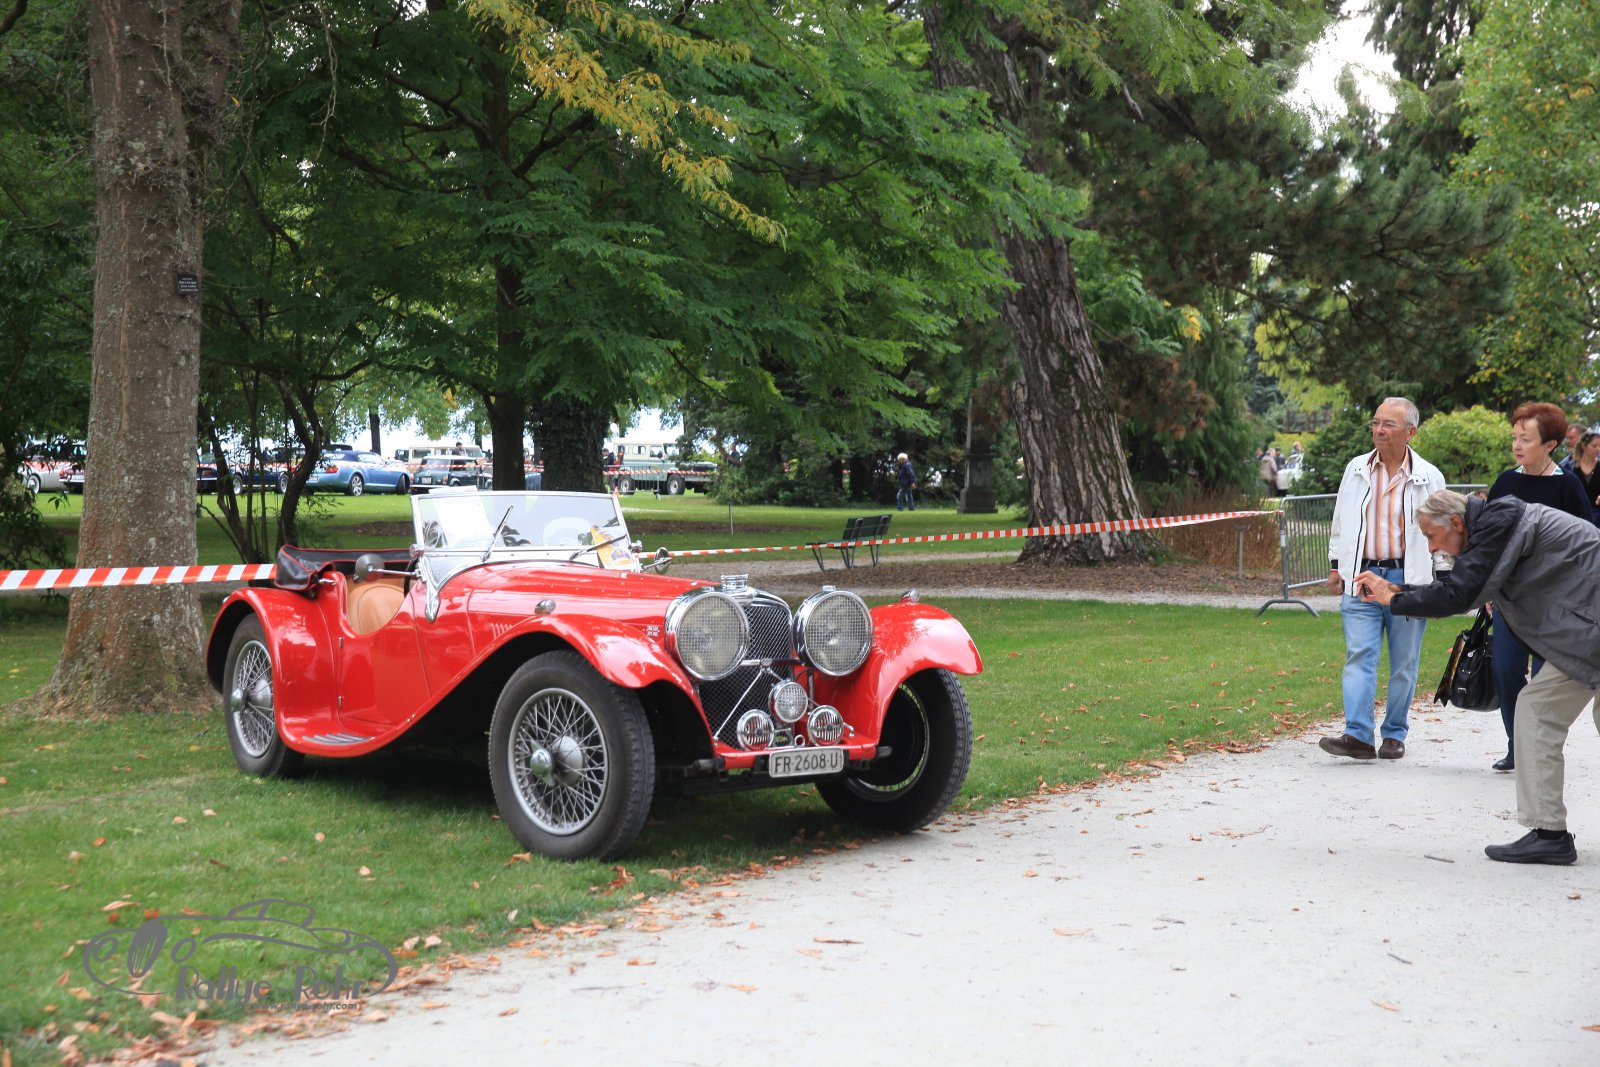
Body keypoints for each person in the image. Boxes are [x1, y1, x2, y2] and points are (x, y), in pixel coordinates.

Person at [1355, 489, 1600, 865]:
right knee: (1536, 712)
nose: (1432, 547)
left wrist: (1394, 600)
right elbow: (1462, 587)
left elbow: (1459, 594)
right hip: (1585, 634)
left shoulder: (1501, 522)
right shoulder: (1492, 529)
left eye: (1431, 536)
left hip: (1589, 629)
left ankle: (1549, 834)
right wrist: (1398, 590)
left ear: (1456, 523)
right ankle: (1549, 834)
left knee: (1539, 712)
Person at [1318, 397, 1446, 761]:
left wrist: (1443, 579)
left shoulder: (1429, 476)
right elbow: (1341, 519)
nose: (1379, 430)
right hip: (1362, 575)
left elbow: (1444, 529)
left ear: (1411, 432)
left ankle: (1394, 733)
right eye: (1376, 423)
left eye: (1388, 424)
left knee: (1404, 662)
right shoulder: (1356, 469)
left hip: (1408, 579)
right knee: (1359, 654)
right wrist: (1336, 565)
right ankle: (1358, 735)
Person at [1482, 403, 1591, 772]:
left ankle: (1540, 747)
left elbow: (1584, 544)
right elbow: (1488, 541)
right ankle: (1518, 745)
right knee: (1504, 669)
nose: (1517, 445)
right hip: (1510, 599)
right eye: (1514, 437)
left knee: (1546, 680)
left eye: (1525, 439)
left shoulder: (1568, 486)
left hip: (1554, 604)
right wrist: (1487, 590)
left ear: (1550, 444)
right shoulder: (1505, 482)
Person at [1567, 429, 1600, 524]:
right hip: (1574, 517)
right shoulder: (1570, 467)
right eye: (1594, 446)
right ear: (1584, 446)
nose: (1598, 449)